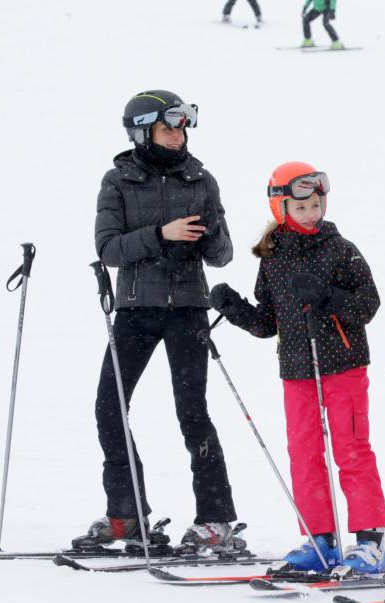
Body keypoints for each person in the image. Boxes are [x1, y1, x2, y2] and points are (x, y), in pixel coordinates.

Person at [79, 90, 241, 555]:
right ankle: (127, 515)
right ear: (141, 131)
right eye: (168, 127)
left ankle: (215, 521)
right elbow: (108, 249)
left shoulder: (200, 179)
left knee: (192, 413)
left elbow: (224, 256)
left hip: (188, 310)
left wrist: (210, 234)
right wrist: (159, 235)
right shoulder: (118, 180)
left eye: (182, 127)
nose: (177, 135)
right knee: (109, 407)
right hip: (135, 311)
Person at [210, 161, 385, 574]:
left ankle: (370, 541)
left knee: (351, 449)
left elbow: (368, 305)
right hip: (296, 370)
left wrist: (327, 296)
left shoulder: (341, 249)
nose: (311, 214)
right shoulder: (273, 258)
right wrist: (234, 308)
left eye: (315, 205)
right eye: (300, 207)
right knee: (304, 454)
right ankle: (318, 539)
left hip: (343, 365)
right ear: (281, 209)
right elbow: (266, 323)